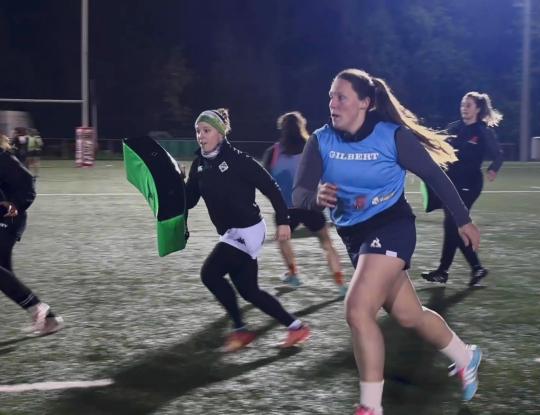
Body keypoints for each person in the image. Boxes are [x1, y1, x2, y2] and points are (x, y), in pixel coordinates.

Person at [293, 69, 483, 414]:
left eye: (341, 97)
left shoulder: (392, 137)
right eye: (331, 96)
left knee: (357, 310)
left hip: (392, 226)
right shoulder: (320, 141)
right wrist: (316, 196)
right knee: (410, 316)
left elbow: (434, 176)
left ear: (365, 102)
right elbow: (300, 194)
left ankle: (370, 407)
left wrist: (463, 218)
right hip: (355, 238)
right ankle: (465, 356)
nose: (333, 103)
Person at [185, 108, 310, 352]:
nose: (201, 136)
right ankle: (296, 327)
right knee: (250, 292)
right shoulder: (199, 164)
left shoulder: (238, 160)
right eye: (198, 131)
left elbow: (271, 187)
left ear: (220, 134)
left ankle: (240, 330)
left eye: (206, 130)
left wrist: (283, 220)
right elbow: (189, 201)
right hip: (231, 234)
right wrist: (176, 184)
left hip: (248, 230)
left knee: (210, 274)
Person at [421, 92, 504, 287]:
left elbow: (498, 154)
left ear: (477, 109)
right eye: (463, 104)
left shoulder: (482, 131)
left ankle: (446, 271)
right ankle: (474, 268)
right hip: (452, 183)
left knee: (453, 223)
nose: (464, 108)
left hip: (470, 185)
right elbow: (438, 143)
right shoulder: (455, 128)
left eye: (468, 105)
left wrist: (493, 169)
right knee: (453, 225)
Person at [261, 111, 346, 295]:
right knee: (326, 243)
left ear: (282, 129)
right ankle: (340, 285)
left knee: (282, 239)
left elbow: (265, 181)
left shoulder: (273, 152)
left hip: (285, 208)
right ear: (302, 127)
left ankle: (294, 274)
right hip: (311, 205)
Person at [0, 134, 64, 335]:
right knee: (4, 276)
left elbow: (27, 184)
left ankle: (39, 309)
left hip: (8, 219)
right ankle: (49, 319)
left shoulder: (3, 158)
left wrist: (14, 205)